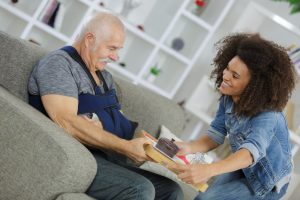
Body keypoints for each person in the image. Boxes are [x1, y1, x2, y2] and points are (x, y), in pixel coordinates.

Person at [28, 12, 183, 200]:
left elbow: (119, 124)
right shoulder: (59, 64)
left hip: (107, 156)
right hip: (77, 154)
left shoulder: (105, 78)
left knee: (171, 190)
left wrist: (151, 148)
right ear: (89, 39)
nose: (116, 57)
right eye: (112, 48)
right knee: (140, 189)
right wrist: (124, 145)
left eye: (118, 50)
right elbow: (67, 121)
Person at [171, 33, 296, 200]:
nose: (226, 76)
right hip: (243, 168)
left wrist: (209, 169)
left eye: (235, 75)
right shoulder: (229, 97)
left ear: (254, 86)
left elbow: (250, 153)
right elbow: (215, 135)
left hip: (268, 181)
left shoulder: (268, 115)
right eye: (227, 68)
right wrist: (187, 148)